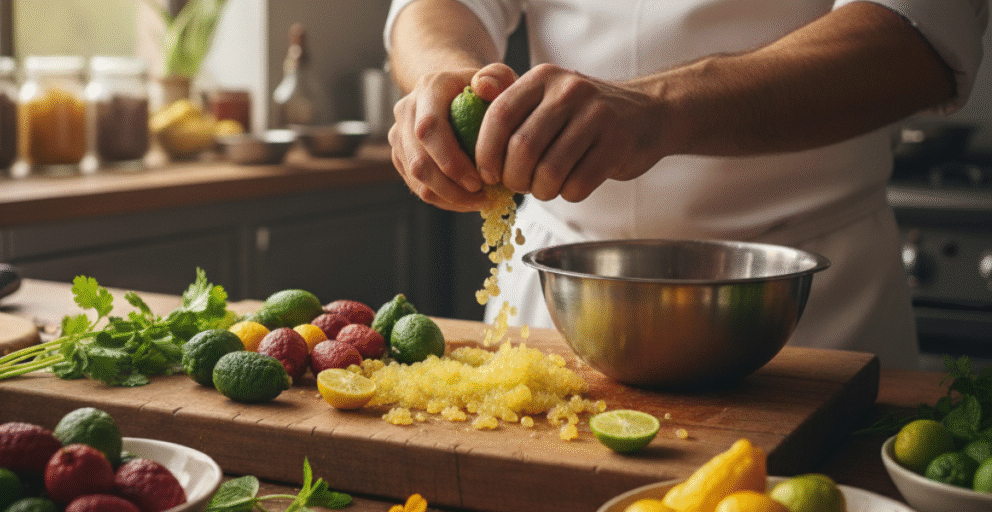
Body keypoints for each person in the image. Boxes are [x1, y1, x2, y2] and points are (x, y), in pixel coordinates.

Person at [383, 0, 988, 370]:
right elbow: (434, 5)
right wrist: (445, 74)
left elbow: (916, 36)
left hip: (808, 316)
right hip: (556, 308)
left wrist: (660, 108)